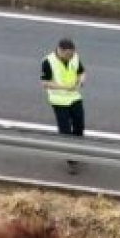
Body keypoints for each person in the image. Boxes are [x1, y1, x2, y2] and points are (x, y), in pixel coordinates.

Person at [40, 37, 85, 175]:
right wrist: (64, 87)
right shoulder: (48, 61)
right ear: (60, 50)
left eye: (72, 54)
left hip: (75, 97)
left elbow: (81, 72)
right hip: (59, 101)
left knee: (79, 125)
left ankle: (78, 149)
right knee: (65, 130)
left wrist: (80, 82)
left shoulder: (74, 57)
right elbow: (44, 83)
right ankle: (72, 160)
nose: (70, 57)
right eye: (68, 54)